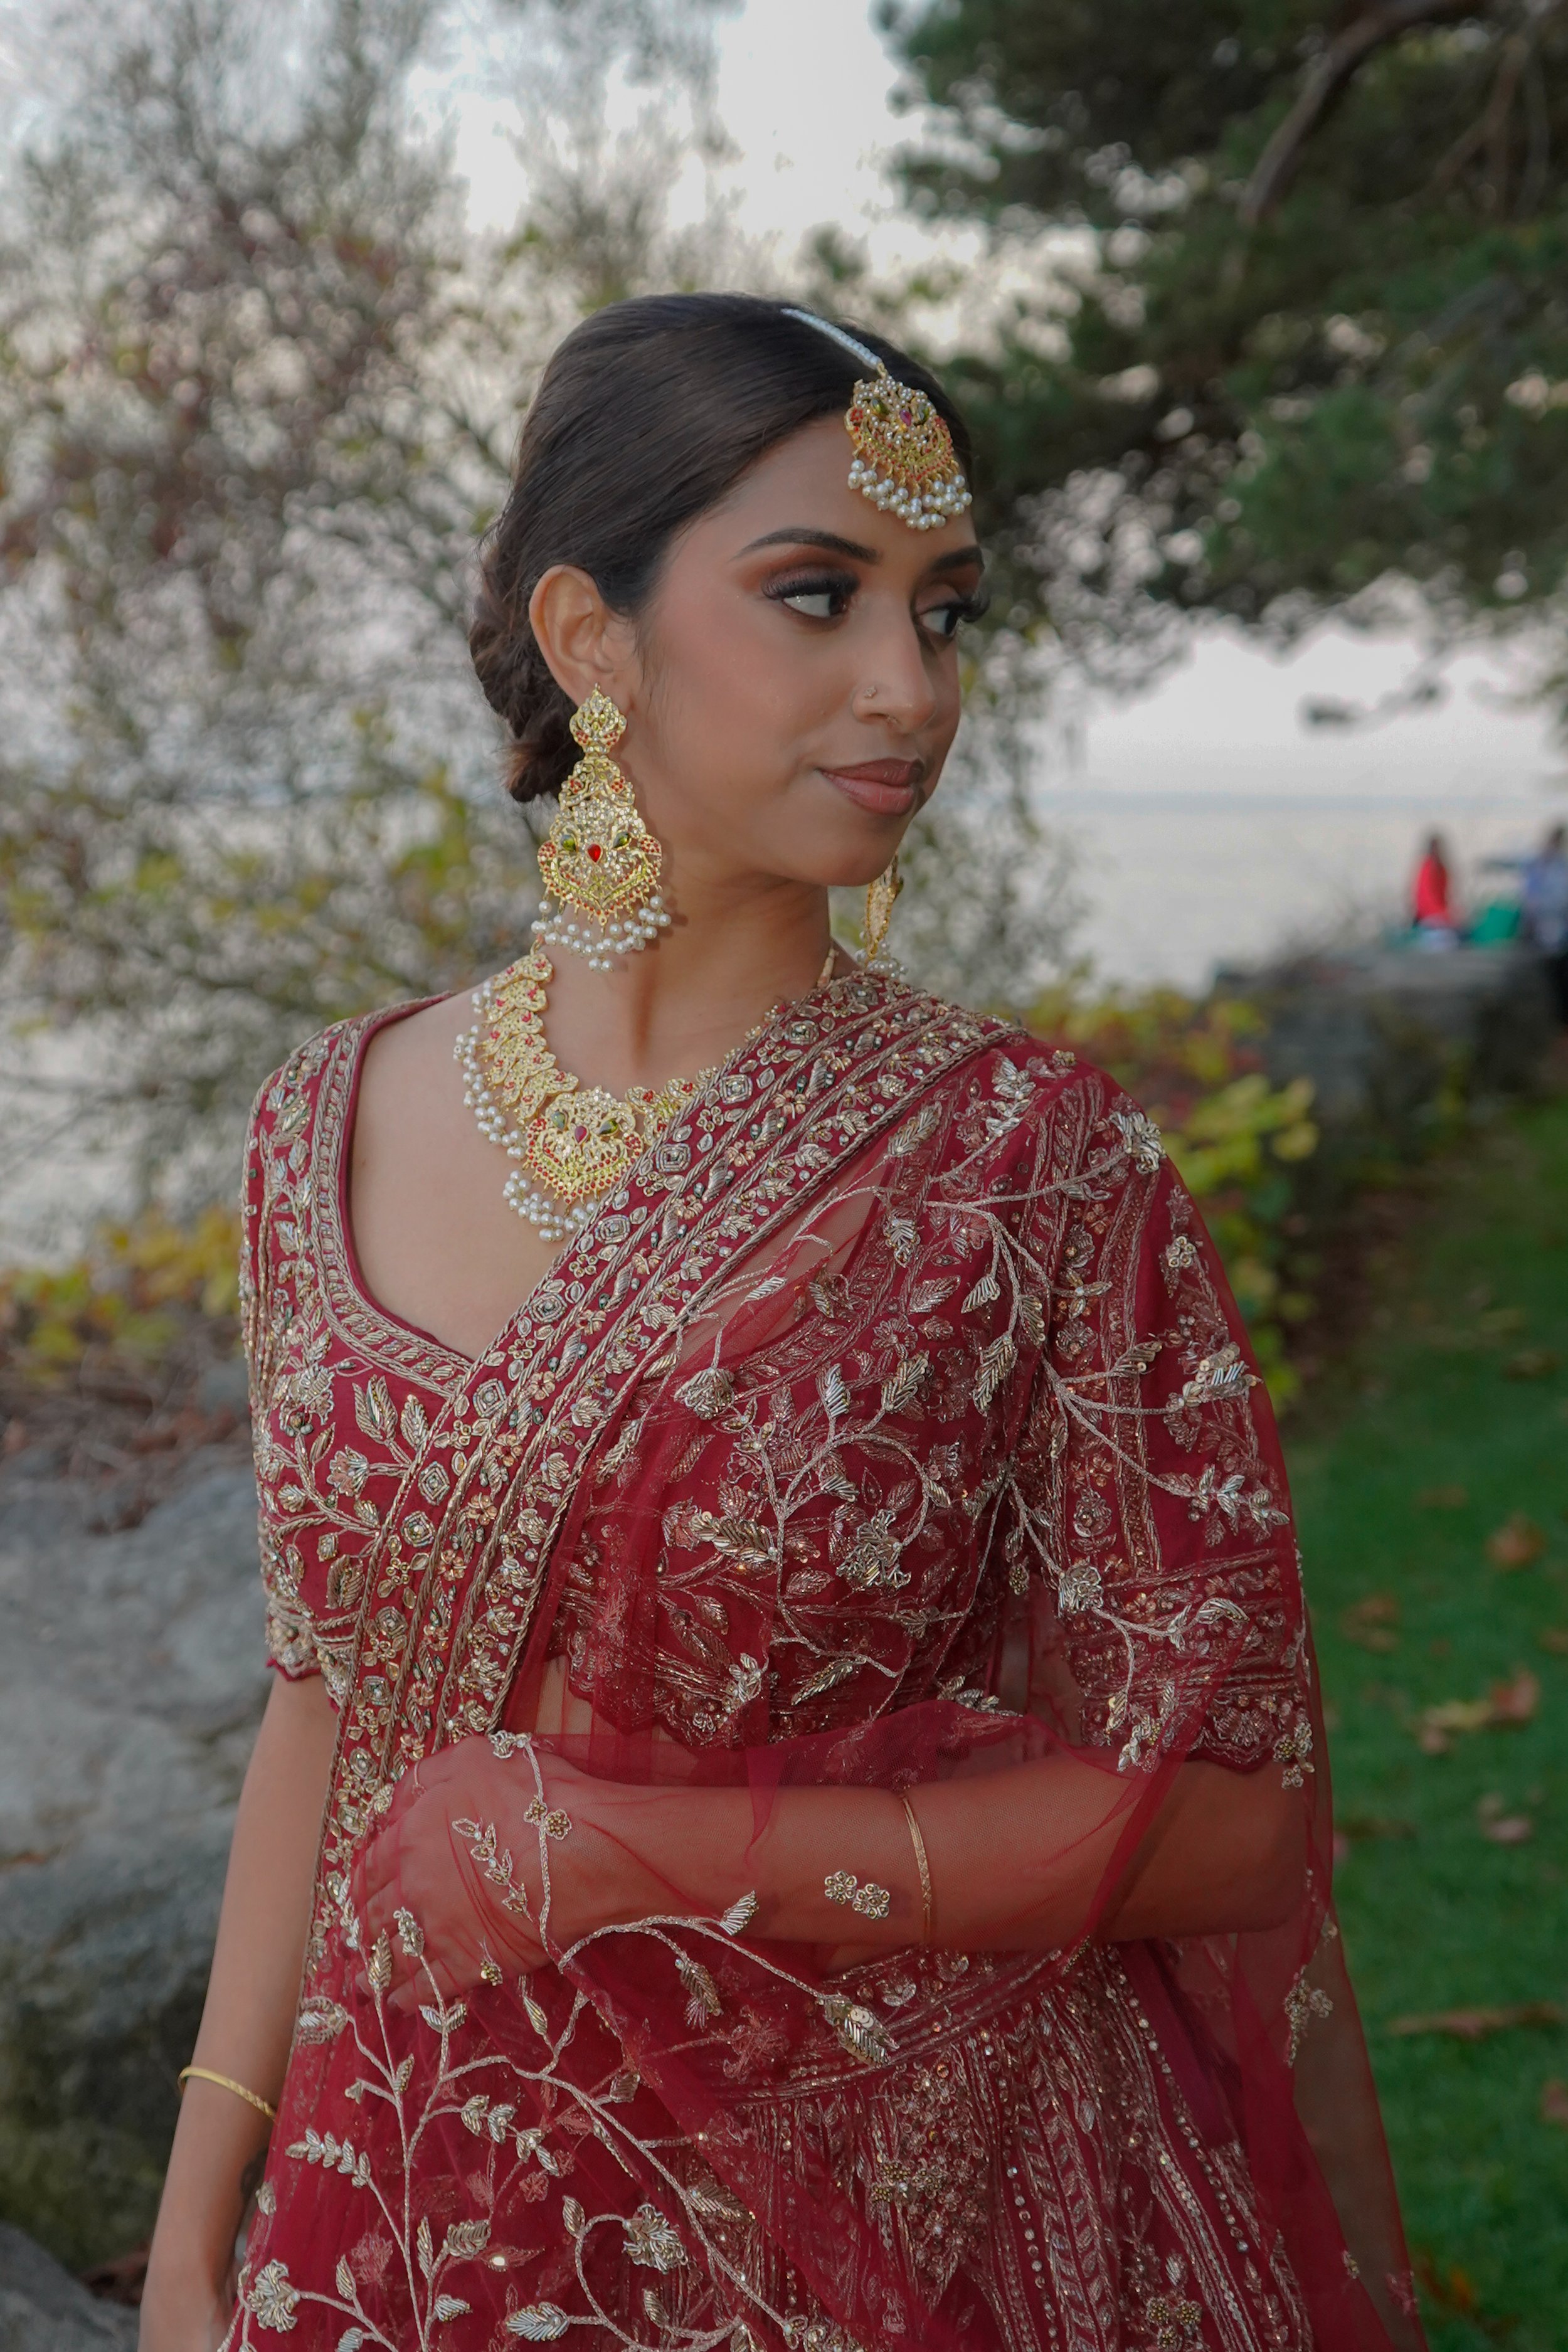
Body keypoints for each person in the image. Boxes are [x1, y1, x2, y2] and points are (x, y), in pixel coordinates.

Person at [140, 295, 1424, 2352]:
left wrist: (631, 1853)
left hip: (879, 2227)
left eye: (946, 610)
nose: (906, 687)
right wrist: (206, 2218)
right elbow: (331, 1703)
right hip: (396, 2220)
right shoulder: (321, 1130)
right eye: (818, 595)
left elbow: (1230, 1814)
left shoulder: (1029, 1164)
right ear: (591, 640)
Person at [1521, 820, 1568, 1024]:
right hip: (1547, 933)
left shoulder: (1556, 867)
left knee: (1557, 979)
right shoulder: (1541, 866)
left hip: (1555, 934)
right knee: (1554, 980)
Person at [1410, 831, 1460, 944]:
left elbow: (1446, 897)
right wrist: (1444, 915)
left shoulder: (1442, 870)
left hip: (1441, 918)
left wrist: (1451, 914)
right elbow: (1425, 899)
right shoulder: (1426, 869)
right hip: (1429, 920)